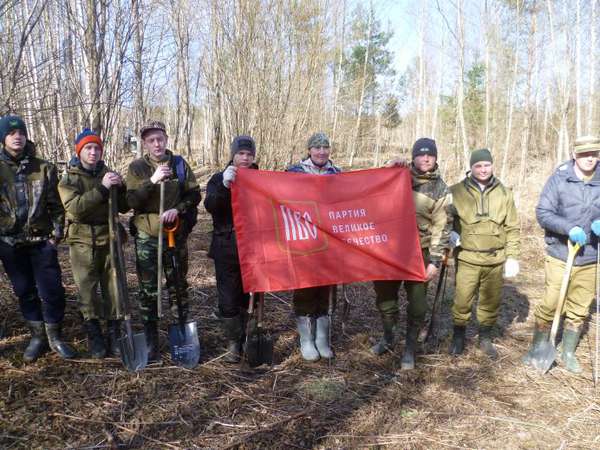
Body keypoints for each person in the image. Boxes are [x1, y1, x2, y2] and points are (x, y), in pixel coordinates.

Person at [0, 115, 76, 362]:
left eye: (21, 132)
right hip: (10, 243)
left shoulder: (44, 167)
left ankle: (55, 336)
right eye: (12, 134)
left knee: (52, 290)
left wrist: (55, 235)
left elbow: (56, 205)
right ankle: (37, 337)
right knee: (24, 291)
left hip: (41, 242)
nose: (17, 137)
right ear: (3, 138)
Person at [372, 137, 451, 370]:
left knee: (417, 306)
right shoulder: (398, 176)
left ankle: (409, 348)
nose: (425, 158)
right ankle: (389, 337)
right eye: (421, 154)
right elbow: (371, 188)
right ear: (413, 157)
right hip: (388, 250)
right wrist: (388, 167)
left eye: (430, 155)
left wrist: (435, 261)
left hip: (420, 252)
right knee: (385, 299)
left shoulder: (441, 189)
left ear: (435, 158)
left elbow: (442, 227)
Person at [523, 136, 600, 373]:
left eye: (594, 154)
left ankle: (567, 352)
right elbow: (543, 212)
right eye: (584, 154)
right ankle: (538, 347)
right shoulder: (559, 179)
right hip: (560, 252)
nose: (590, 159)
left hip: (590, 256)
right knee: (551, 302)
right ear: (575, 155)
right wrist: (569, 228)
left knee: (580, 307)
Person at [126, 120, 201, 362]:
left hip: (174, 236)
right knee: (149, 290)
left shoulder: (179, 164)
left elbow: (194, 194)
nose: (156, 144)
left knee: (178, 285)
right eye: (151, 140)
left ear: (166, 138)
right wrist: (153, 181)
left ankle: (181, 332)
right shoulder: (137, 168)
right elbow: (132, 202)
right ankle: (151, 341)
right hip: (148, 237)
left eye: (159, 138)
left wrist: (178, 209)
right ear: (145, 144)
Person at [58, 129, 129, 358]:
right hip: (82, 242)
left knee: (113, 287)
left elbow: (124, 206)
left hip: (109, 237)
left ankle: (114, 331)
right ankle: (94, 333)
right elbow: (75, 209)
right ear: (79, 152)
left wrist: (121, 187)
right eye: (88, 148)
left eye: (97, 148)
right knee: (87, 291)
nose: (93, 152)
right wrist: (103, 188)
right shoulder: (69, 178)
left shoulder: (109, 173)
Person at [448, 148, 520, 359]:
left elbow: (512, 227)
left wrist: (513, 256)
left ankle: (485, 337)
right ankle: (458, 336)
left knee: (491, 301)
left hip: (495, 259)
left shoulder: (505, 193)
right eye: (478, 165)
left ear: (492, 166)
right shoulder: (455, 192)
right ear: (471, 167)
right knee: (462, 300)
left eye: (486, 165)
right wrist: (450, 234)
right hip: (467, 257)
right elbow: (444, 219)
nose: (482, 169)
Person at [286, 132, 341, 361]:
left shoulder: (337, 174)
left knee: (324, 289)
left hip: (328, 242)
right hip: (303, 240)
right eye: (316, 148)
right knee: (305, 288)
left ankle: (322, 339)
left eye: (325, 147)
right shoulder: (294, 173)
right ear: (309, 150)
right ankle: (306, 340)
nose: (321, 152)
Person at [204, 135, 258, 363]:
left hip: (255, 248)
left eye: (249, 154)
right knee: (228, 298)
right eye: (241, 154)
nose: (245, 158)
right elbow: (211, 206)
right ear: (233, 155)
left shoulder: (261, 179)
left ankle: (249, 337)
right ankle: (233, 342)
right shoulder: (218, 179)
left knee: (252, 296)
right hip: (226, 246)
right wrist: (226, 186)